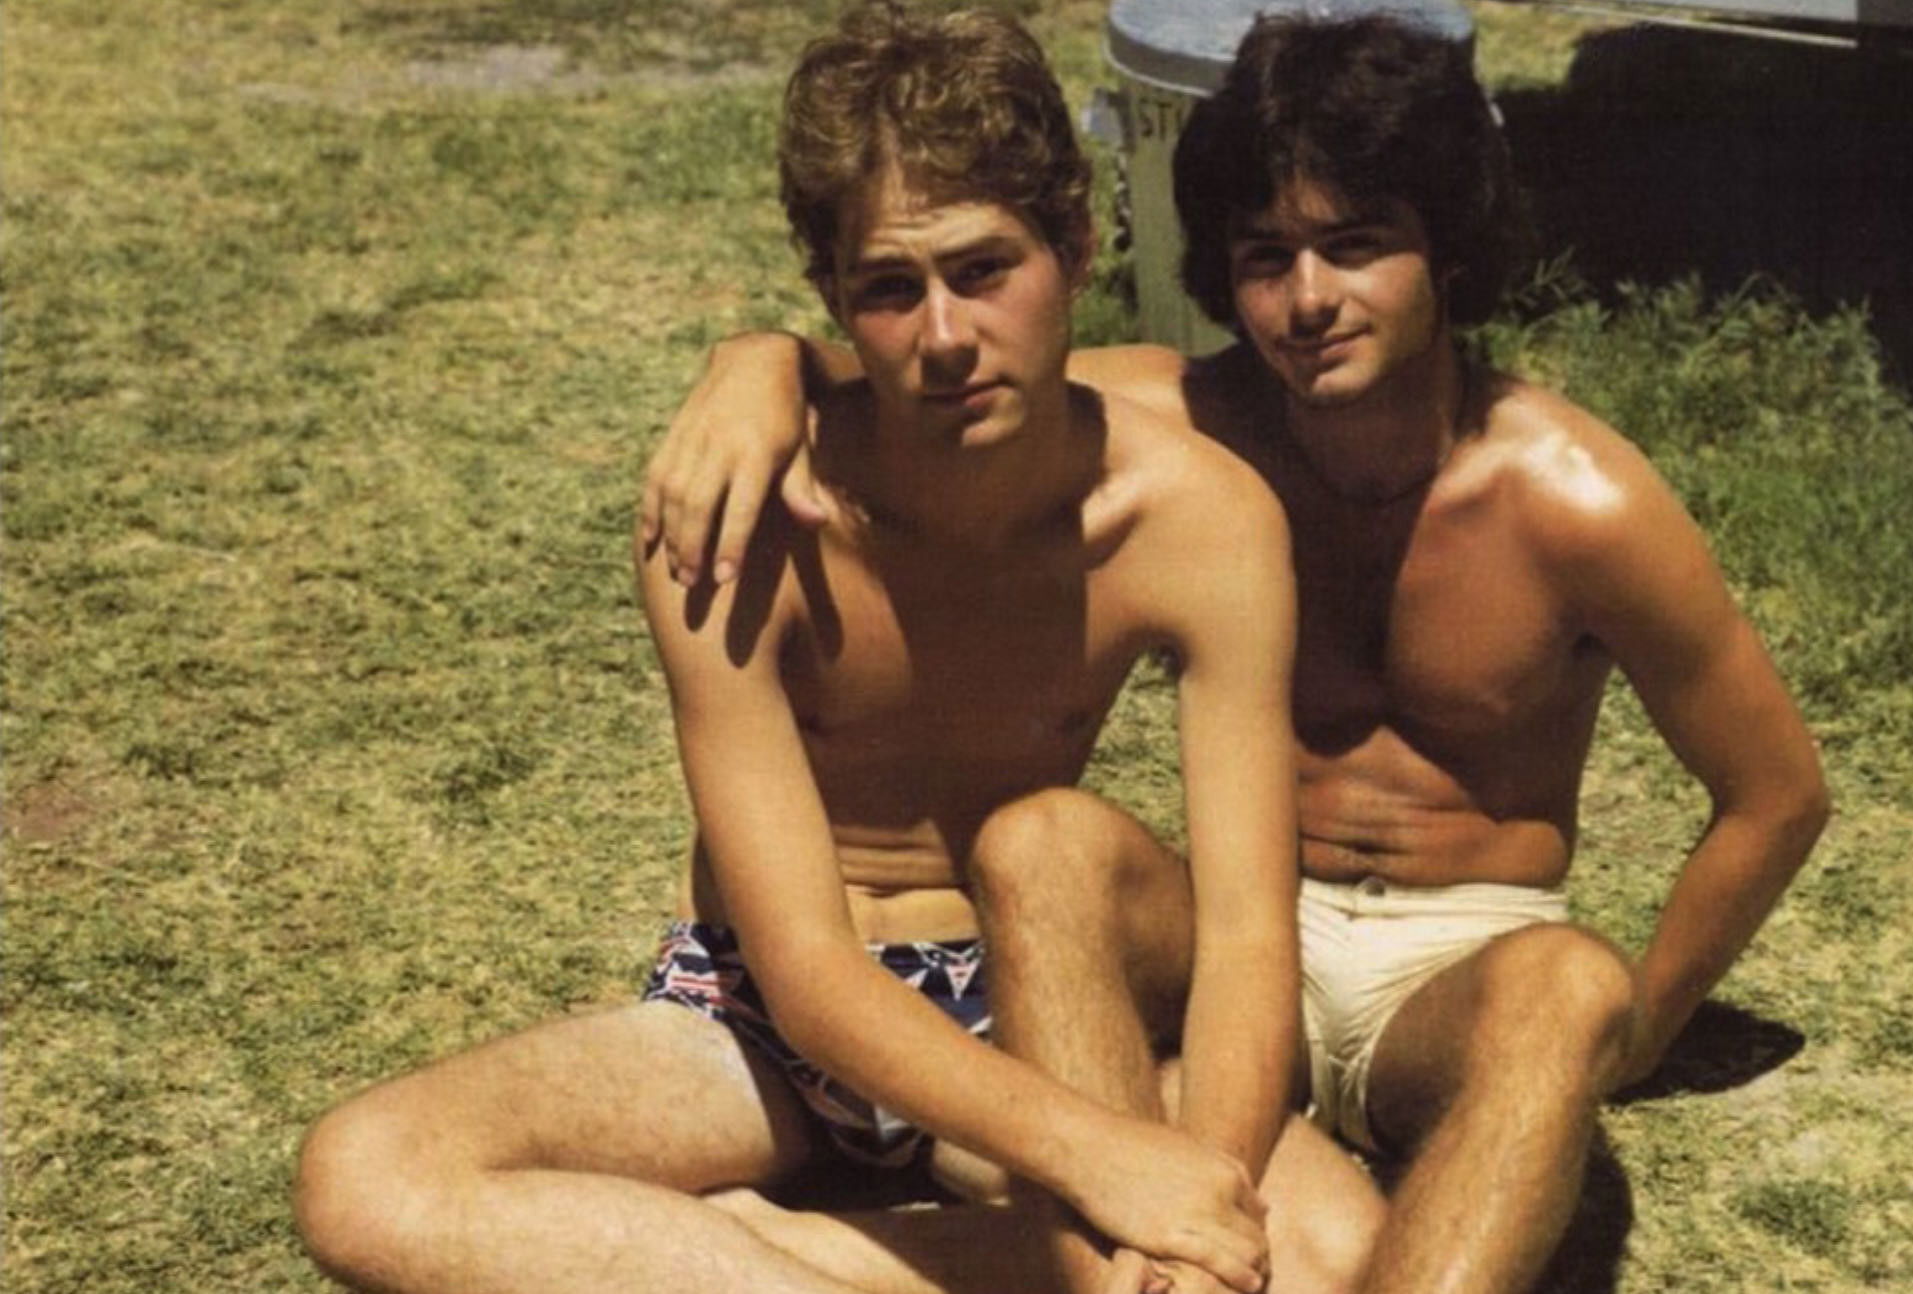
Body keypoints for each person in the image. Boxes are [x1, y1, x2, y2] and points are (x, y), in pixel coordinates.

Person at [643, 13, 1833, 1294]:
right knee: (1044, 840)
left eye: (1354, 246)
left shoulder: (1575, 497)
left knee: (1569, 988)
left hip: (1449, 971)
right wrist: (757, 364)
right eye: (1266, 258)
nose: (1307, 301)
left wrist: (1634, 1032)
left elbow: (1774, 795)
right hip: (1226, 938)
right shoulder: (1188, 417)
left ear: (1446, 249)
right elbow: (936, 358)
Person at [294, 7, 1383, 1293]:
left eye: (983, 269)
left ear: (1076, 247)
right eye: (888, 289)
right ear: (833, 298)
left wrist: (1200, 1200)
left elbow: (1247, 933)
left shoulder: (1198, 519)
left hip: (1025, 993)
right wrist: (1098, 1155)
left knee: (1329, 1248)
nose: (943, 336)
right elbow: (808, 972)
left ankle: (793, 1249)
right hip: (759, 1017)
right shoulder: (736, 516)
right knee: (369, 1174)